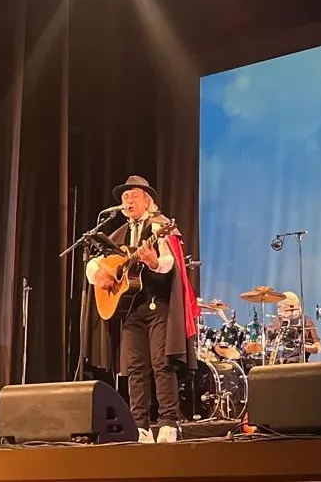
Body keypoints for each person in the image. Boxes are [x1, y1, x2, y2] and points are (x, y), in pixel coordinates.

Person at [86, 176, 199, 443]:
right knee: (135, 367)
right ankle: (140, 425)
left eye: (133, 196)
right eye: (124, 198)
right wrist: (98, 275)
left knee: (162, 364)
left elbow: (170, 263)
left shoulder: (161, 226)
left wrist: (154, 261)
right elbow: (94, 262)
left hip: (157, 305)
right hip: (130, 311)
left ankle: (168, 422)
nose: (127, 201)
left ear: (147, 200)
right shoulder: (118, 234)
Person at [266, 291, 321, 363]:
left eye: (280, 307)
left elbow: (318, 347)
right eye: (278, 307)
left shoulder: (305, 320)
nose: (278, 311)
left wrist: (304, 347)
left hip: (298, 362)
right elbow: (267, 341)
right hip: (278, 362)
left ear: (291, 307)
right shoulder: (277, 321)